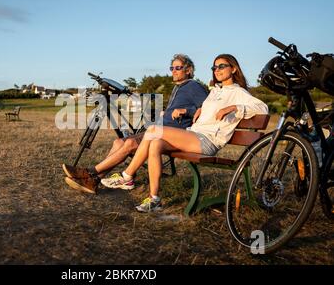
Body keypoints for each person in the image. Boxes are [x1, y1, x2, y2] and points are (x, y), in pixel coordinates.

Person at [106, 54, 269, 212]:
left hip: (208, 140)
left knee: (153, 130)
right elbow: (204, 107)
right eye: (214, 67)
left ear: (233, 69)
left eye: (222, 66)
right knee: (155, 143)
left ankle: (126, 176)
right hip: (195, 134)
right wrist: (197, 110)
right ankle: (154, 200)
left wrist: (234, 108)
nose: (217, 70)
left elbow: (263, 108)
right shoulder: (215, 91)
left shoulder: (238, 92)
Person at [62, 54, 208, 194]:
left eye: (178, 68)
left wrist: (187, 111)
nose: (173, 71)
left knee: (130, 143)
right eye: (172, 68)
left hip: (171, 133)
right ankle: (94, 181)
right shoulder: (179, 87)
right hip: (159, 128)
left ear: (188, 70)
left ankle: (89, 172)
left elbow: (209, 107)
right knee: (119, 142)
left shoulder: (193, 86)